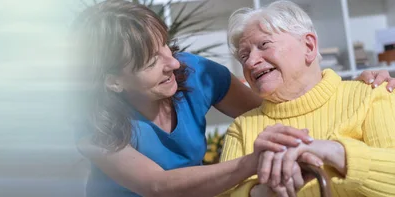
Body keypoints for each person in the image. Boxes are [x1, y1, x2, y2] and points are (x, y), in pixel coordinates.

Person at [71, 1, 395, 197]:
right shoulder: (91, 126)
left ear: (310, 45)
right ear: (113, 82)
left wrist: (357, 90)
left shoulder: (194, 72)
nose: (173, 63)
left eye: (165, 47)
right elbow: (157, 187)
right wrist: (256, 170)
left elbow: (284, 110)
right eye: (151, 62)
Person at [219, 1, 395, 197]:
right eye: (244, 56)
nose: (251, 62)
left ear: (309, 46)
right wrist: (261, 192)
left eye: (264, 45)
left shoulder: (372, 94)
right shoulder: (242, 128)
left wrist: (336, 152)